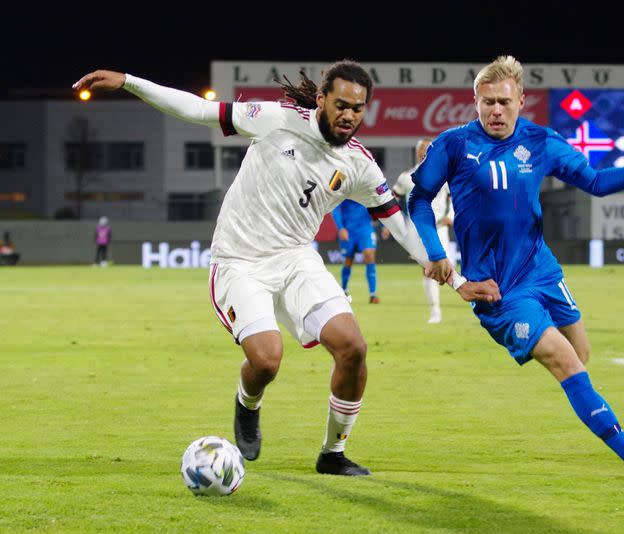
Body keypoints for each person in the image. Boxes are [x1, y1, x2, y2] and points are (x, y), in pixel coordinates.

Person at [73, 62, 496, 476]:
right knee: (267, 361)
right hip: (239, 261)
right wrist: (130, 81)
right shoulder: (276, 119)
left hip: (295, 259)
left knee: (353, 348)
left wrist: (453, 278)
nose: (349, 114)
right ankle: (248, 403)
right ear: (321, 99)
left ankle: (333, 453)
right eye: (341, 104)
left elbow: (397, 222)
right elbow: (200, 110)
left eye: (358, 107)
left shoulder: (359, 165)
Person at [408, 55, 624, 480]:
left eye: (504, 101)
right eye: (487, 103)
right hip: (498, 290)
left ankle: (595, 419)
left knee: (580, 356)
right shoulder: (454, 144)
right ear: (475, 101)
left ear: (521, 99)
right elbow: (418, 200)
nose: (495, 111)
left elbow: (595, 181)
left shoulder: (541, 141)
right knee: (565, 362)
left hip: (542, 271)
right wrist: (435, 252)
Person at [393, 138, 456, 324]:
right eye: (421, 149)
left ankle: (476, 300)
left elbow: (454, 198)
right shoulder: (406, 177)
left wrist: (450, 216)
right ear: (417, 153)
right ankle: (435, 311)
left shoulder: (444, 175)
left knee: (447, 267)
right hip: (418, 231)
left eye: (428, 149)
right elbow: (392, 199)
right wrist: (399, 225)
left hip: (439, 227)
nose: (424, 152)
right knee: (428, 269)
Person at [331, 199, 381, 303]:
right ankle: (344, 290)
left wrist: (384, 226)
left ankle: (373, 294)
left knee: (369, 255)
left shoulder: (365, 186)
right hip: (348, 230)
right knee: (348, 261)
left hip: (365, 229)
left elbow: (377, 203)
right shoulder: (345, 188)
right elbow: (334, 208)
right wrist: (341, 228)